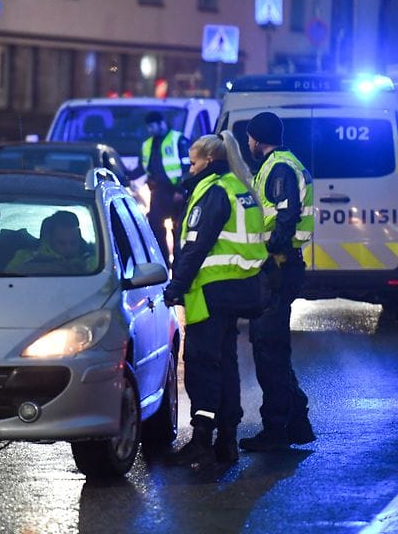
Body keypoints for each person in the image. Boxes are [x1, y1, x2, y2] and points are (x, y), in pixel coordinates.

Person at [162, 131, 268, 467]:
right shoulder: (240, 188)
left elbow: (196, 246)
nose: (190, 169)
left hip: (210, 291)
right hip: (239, 289)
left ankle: (201, 441)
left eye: (193, 162)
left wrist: (176, 286)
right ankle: (227, 441)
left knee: (202, 367)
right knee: (227, 365)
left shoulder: (212, 192)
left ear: (208, 160)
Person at [239, 111, 317, 452]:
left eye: (249, 138)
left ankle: (277, 429)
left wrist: (269, 250)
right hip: (279, 268)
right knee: (273, 349)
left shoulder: (279, 168)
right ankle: (296, 420)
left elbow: (286, 217)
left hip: (277, 268)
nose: (247, 144)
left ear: (257, 138)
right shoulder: (278, 165)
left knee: (268, 349)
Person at [135, 111, 189, 262]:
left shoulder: (178, 140)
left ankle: (179, 264)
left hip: (176, 193)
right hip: (158, 192)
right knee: (155, 227)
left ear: (161, 123)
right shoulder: (148, 144)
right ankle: (163, 262)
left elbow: (187, 167)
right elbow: (142, 167)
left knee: (177, 230)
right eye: (148, 128)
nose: (150, 131)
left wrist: (181, 190)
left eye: (152, 127)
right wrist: (125, 177)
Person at [6, 210, 95, 274]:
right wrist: (54, 268)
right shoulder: (26, 256)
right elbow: (8, 278)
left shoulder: (95, 260)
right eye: (61, 243)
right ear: (49, 238)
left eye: (73, 243)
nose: (68, 248)